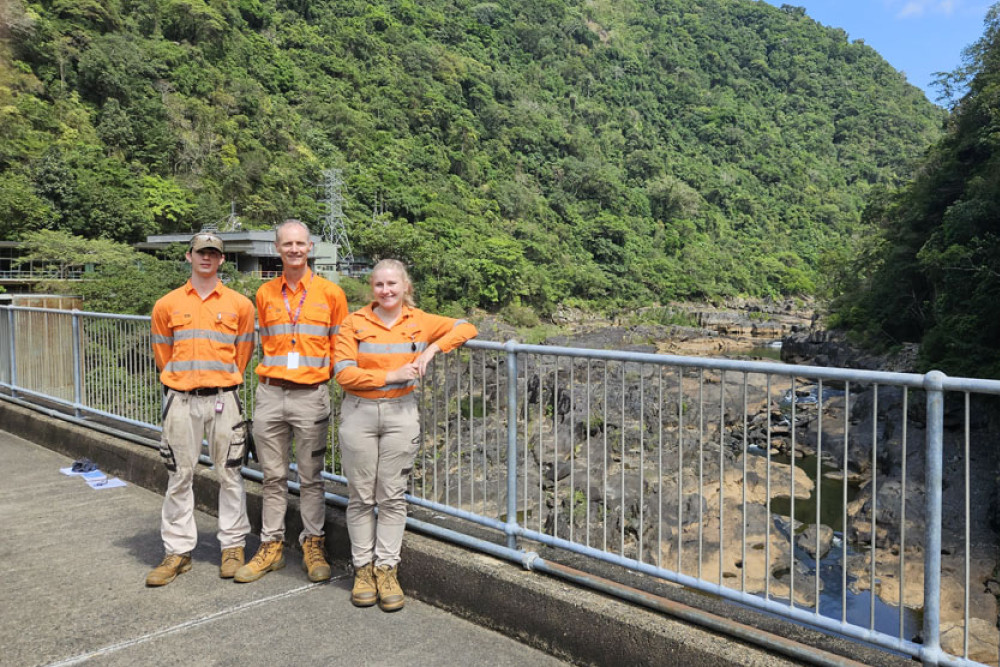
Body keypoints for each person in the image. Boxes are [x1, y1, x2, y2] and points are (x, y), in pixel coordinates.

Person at [334, 259, 477, 611]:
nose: (386, 290)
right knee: (361, 497)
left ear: (405, 287)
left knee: (393, 496)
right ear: (372, 287)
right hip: (359, 413)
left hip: (401, 413)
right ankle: (363, 569)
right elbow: (343, 373)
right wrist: (390, 375)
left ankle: (386, 568)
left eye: (392, 284)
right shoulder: (353, 322)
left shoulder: (420, 321)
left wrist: (431, 348)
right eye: (379, 284)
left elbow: (465, 327)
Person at [235, 219, 348, 584]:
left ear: (310, 247)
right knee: (272, 476)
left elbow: (340, 347)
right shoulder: (266, 293)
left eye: (300, 244)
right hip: (270, 393)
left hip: (311, 394)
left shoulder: (332, 294)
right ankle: (271, 545)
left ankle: (313, 542)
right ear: (277, 248)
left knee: (312, 477)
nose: (295, 249)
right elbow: (264, 341)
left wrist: (319, 379)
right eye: (288, 244)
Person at [146, 232, 255, 586]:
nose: (206, 258)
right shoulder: (167, 304)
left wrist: (220, 378)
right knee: (179, 474)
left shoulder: (240, 304)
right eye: (200, 252)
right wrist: (184, 380)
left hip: (225, 397)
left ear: (221, 259)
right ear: (189, 256)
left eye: (213, 253)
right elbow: (163, 353)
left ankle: (233, 546)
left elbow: (243, 352)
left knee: (230, 473)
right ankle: (177, 551)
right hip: (181, 398)